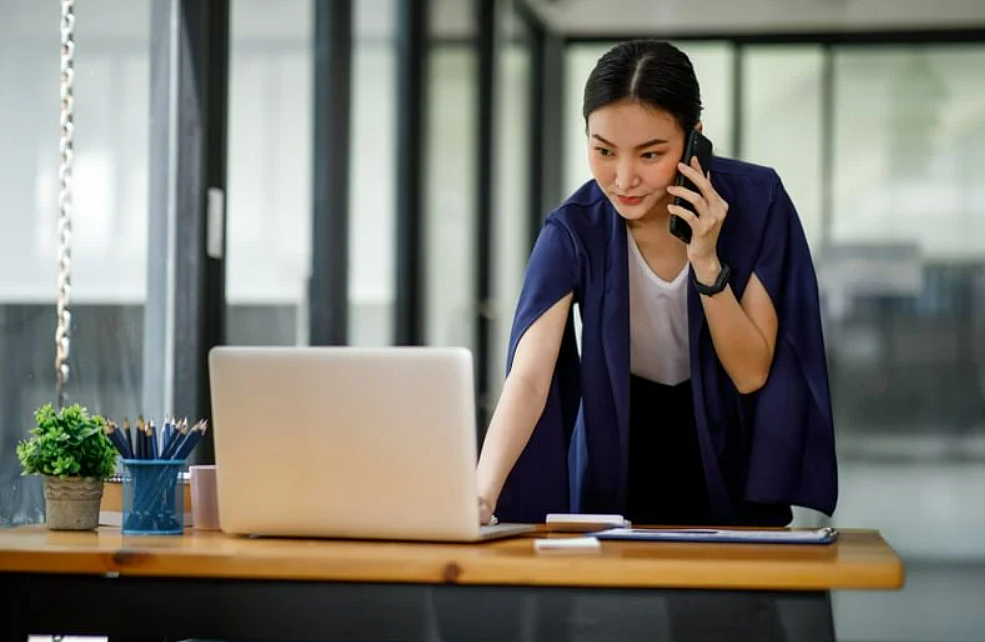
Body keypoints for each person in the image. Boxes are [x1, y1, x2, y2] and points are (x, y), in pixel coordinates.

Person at [476, 39, 837, 528]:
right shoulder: (573, 229)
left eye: (650, 154)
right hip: (620, 449)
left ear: (695, 140)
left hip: (726, 447)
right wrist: (482, 492)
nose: (623, 179)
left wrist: (706, 261)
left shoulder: (758, 203)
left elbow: (751, 372)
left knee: (738, 603)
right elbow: (529, 377)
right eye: (603, 151)